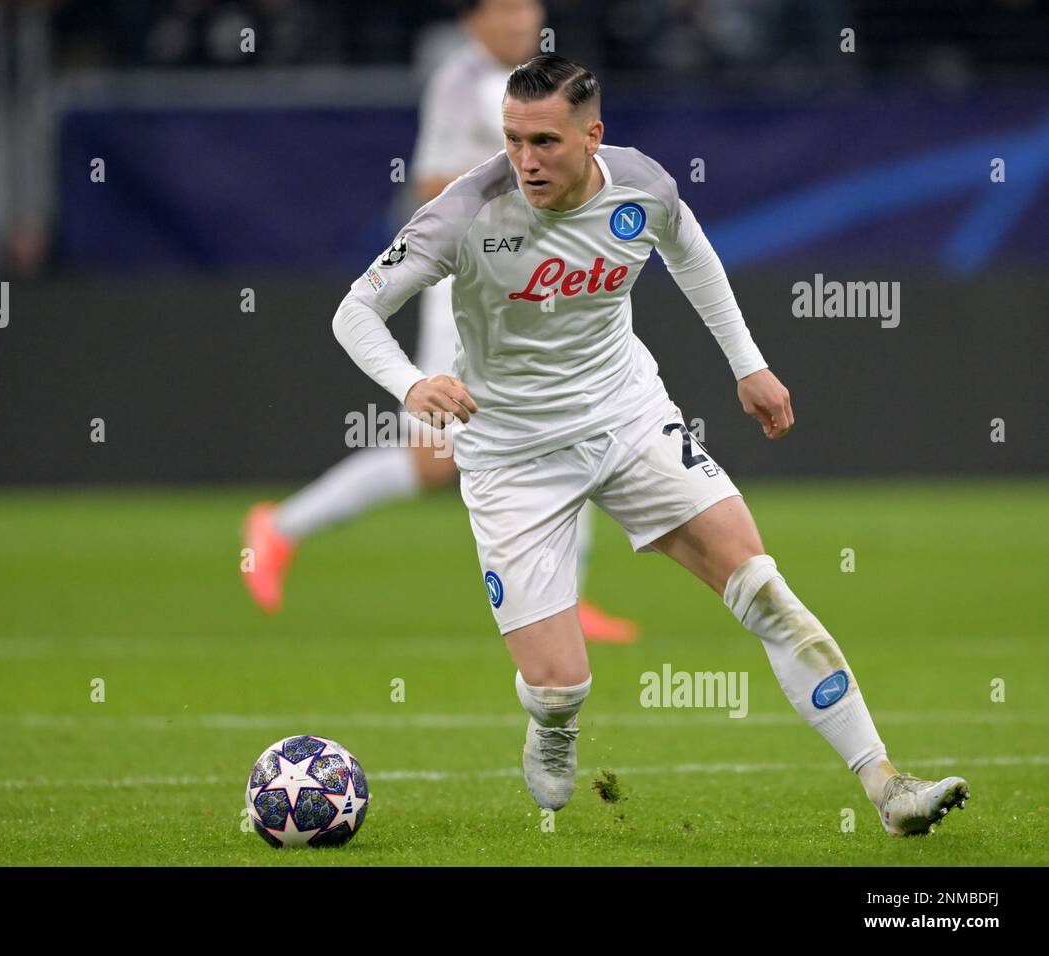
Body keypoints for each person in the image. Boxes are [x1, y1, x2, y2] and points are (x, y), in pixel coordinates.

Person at [331, 53, 968, 836]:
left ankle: (887, 784)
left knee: (763, 587)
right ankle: (555, 722)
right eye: (512, 139)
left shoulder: (643, 187)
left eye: (545, 141)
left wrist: (750, 367)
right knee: (561, 683)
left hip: (628, 419)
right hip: (512, 454)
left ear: (593, 135)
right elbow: (355, 310)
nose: (524, 160)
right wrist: (410, 384)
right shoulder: (467, 212)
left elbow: (692, 255)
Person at [242, 0, 636, 643]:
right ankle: (279, 528)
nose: (519, 19)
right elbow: (428, 184)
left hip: (528, 286)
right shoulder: (464, 82)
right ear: (472, 18)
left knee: (569, 416)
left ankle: (567, 597)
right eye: (503, 8)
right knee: (433, 458)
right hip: (465, 290)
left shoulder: (537, 82)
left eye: (526, 6)